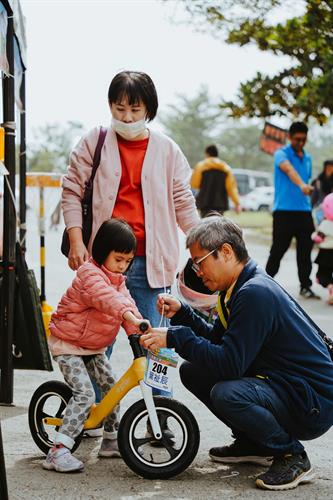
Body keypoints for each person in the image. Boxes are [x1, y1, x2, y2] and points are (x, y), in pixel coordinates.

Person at [140, 215, 333, 491]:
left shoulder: (254, 293)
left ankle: (292, 455)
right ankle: (253, 442)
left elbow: (229, 364)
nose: (197, 271)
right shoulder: (236, 288)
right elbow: (219, 342)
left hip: (311, 402)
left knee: (227, 393)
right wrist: (184, 314)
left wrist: (174, 337)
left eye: (199, 261)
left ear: (226, 252)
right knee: (193, 371)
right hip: (288, 387)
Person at [62, 70, 199, 410]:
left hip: (154, 263)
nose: (126, 117)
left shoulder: (167, 149)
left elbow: (183, 200)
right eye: (119, 108)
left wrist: (200, 246)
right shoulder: (95, 141)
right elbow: (72, 191)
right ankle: (95, 412)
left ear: (149, 110)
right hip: (104, 264)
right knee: (96, 340)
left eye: (134, 111)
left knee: (157, 342)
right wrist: (77, 241)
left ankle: (164, 415)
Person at [44, 219, 147, 473]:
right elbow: (107, 299)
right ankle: (58, 450)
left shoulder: (118, 280)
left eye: (127, 261)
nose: (123, 266)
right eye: (118, 259)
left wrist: (140, 328)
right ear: (102, 253)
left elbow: (126, 302)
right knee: (85, 394)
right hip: (68, 344)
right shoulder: (89, 274)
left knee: (114, 389)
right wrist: (127, 314)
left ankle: (111, 440)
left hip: (92, 347)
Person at [265, 122, 319, 299]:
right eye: (297, 139)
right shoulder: (281, 154)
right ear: (290, 137)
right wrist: (302, 185)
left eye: (304, 139)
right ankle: (264, 284)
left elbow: (307, 177)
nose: (301, 143)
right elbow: (289, 170)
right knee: (278, 250)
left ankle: (305, 286)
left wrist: (308, 187)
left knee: (305, 252)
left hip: (304, 212)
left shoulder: (308, 158)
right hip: (284, 212)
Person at [191, 144, 241, 217]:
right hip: (220, 203)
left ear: (207, 154)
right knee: (218, 225)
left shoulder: (200, 166)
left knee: (205, 225)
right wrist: (237, 203)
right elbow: (231, 188)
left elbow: (195, 184)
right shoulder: (226, 168)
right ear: (217, 154)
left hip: (205, 202)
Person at [312, 193, 333, 305]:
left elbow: (318, 238)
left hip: (325, 254)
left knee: (322, 274)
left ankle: (330, 287)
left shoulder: (325, 224)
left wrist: (313, 236)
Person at [311, 159, 333, 224]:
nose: (330, 169)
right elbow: (314, 195)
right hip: (320, 206)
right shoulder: (319, 180)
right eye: (328, 167)